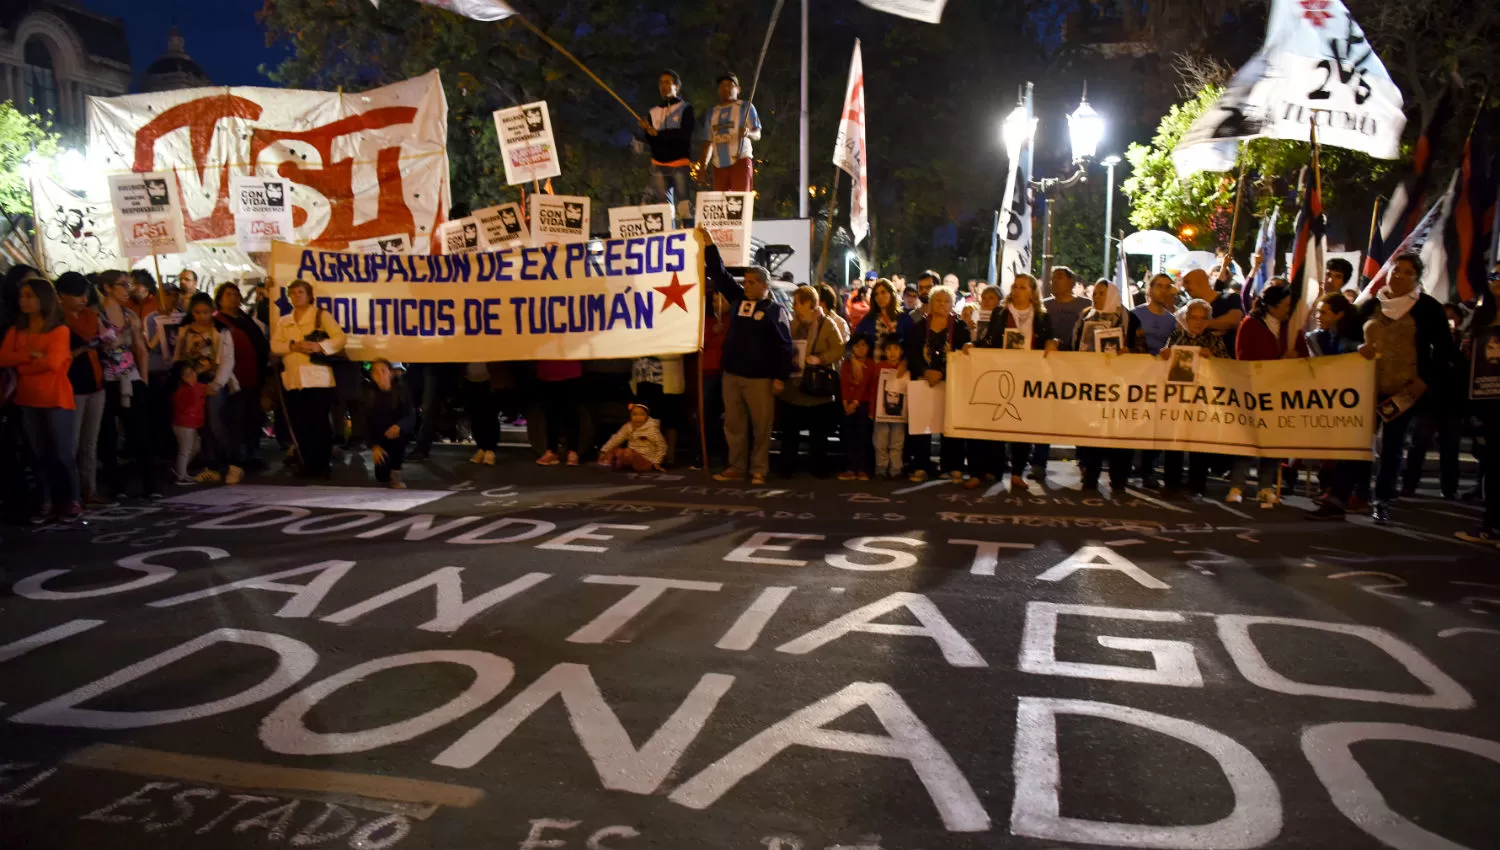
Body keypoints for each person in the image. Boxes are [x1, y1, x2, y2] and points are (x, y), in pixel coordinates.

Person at [1310, 253, 1456, 523]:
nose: (1398, 275)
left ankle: (1382, 500)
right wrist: (1357, 348)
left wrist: (1425, 378)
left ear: (1417, 278)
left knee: (1392, 445)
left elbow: (1445, 350)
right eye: (1395, 269)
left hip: (1404, 391)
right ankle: (1339, 498)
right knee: (1354, 444)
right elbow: (1344, 338)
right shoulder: (1370, 305)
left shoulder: (1428, 308)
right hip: (1367, 387)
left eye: (1407, 272)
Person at [704, 229, 794, 485]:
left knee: (761, 425)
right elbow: (719, 275)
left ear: (765, 286)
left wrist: (780, 377)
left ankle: (759, 469)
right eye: (746, 281)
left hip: (760, 378)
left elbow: (784, 346)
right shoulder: (738, 300)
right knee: (734, 424)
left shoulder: (775, 311)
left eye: (753, 282)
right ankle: (736, 466)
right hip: (732, 374)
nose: (748, 285)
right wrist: (711, 246)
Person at [1, 276, 80, 522]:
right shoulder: (16, 329)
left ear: (43, 299)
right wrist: (31, 356)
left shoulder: (59, 330)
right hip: (27, 398)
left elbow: (54, 363)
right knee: (37, 454)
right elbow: (3, 358)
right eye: (22, 296)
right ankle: (46, 502)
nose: (24, 301)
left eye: (30, 296)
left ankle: (72, 500)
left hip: (55, 397)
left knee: (62, 454)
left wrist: (24, 362)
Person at [972, 274, 1057, 491]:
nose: (1017, 290)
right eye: (1015, 286)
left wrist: (1053, 342)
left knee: (1022, 424)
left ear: (1032, 292)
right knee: (997, 421)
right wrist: (974, 346)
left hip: (1029, 377)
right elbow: (990, 339)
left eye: (1022, 287)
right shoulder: (1001, 313)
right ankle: (992, 470)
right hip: (1002, 372)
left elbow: (1049, 338)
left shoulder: (1041, 316)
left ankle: (1018, 472)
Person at [270, 279, 346, 479]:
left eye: (300, 292)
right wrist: (293, 346)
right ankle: (306, 463)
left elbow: (339, 338)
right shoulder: (284, 320)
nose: (296, 296)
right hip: (294, 380)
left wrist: (319, 347)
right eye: (293, 293)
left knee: (319, 424)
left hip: (318, 379)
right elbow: (276, 345)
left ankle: (322, 465)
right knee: (300, 424)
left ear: (309, 294)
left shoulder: (321, 316)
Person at [55, 273, 113, 509]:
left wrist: (104, 341)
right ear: (62, 296)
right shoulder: (58, 320)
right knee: (72, 444)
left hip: (96, 382)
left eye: (84, 294)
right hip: (73, 386)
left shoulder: (92, 315)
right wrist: (82, 349)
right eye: (76, 295)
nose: (82, 299)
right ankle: (73, 495)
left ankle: (91, 491)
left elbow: (102, 341)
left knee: (89, 443)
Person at [97, 269, 156, 500]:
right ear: (107, 288)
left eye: (128, 284)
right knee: (109, 436)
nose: (127, 289)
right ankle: (115, 486)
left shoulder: (130, 314)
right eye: (122, 284)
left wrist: (143, 380)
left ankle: (149, 484)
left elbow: (140, 349)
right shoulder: (97, 315)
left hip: (131, 378)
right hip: (107, 379)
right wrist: (122, 335)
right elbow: (103, 346)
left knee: (140, 433)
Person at [777, 285, 845, 478]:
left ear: (808, 303)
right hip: (794, 388)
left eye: (798, 302)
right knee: (790, 433)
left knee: (818, 435)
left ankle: (819, 467)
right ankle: (787, 467)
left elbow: (839, 349)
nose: (794, 306)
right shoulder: (793, 324)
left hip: (817, 391)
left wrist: (820, 359)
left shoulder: (826, 324)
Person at [174, 292, 240, 484]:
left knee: (216, 422)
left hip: (214, 380)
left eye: (205, 312)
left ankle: (231, 465)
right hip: (192, 382)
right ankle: (211, 465)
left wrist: (217, 383)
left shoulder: (222, 331)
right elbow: (179, 355)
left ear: (212, 311)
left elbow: (228, 360)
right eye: (197, 312)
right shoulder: (185, 330)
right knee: (200, 425)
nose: (202, 316)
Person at [905, 287, 970, 482]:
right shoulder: (919, 327)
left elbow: (963, 356)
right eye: (938, 300)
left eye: (946, 301)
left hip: (950, 381)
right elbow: (912, 354)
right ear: (930, 303)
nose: (942, 304)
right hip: (923, 381)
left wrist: (941, 372)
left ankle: (952, 466)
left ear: (952, 305)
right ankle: (921, 466)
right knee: (922, 425)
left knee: (950, 425)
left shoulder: (960, 327)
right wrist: (925, 372)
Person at [1456, 266, 1500, 545]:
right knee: (1492, 464)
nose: (1497, 281)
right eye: (1494, 276)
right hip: (1485, 399)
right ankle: (1490, 526)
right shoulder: (1481, 317)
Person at [215, 282, 270, 472]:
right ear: (220, 299)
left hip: (253, 376)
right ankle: (237, 457)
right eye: (228, 294)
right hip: (233, 379)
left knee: (252, 418)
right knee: (236, 419)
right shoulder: (218, 321)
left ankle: (252, 454)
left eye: (236, 294)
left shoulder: (245, 319)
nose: (233, 298)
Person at [640, 69, 696, 225]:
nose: (664, 85)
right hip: (659, 165)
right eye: (661, 83)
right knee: (664, 209)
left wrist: (657, 134)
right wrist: (647, 131)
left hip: (679, 163)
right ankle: (669, 241)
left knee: (684, 206)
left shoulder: (686, 108)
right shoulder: (653, 111)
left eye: (668, 82)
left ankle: (691, 238)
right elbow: (652, 141)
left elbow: (685, 134)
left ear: (677, 86)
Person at [699, 72, 762, 192]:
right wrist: (703, 167)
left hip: (741, 161)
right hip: (719, 165)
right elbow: (708, 141)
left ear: (738, 89)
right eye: (722, 85)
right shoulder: (712, 113)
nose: (726, 88)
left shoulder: (746, 107)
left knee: (740, 203)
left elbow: (757, 134)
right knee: (721, 205)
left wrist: (748, 133)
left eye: (730, 85)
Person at [365, 359, 414, 489]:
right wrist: (374, 445)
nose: (380, 375)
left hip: (398, 434)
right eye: (375, 372)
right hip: (380, 436)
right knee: (381, 476)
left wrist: (399, 426)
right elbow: (366, 421)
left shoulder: (401, 390)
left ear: (390, 373)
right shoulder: (369, 393)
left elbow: (410, 415)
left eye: (383, 371)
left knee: (399, 437)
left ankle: (396, 471)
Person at [632, 353, 686, 465]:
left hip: (666, 377)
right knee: (646, 419)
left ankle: (669, 458)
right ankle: (648, 457)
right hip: (643, 378)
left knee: (669, 418)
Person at [838, 332, 876, 480]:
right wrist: (845, 402)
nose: (860, 349)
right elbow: (844, 383)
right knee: (847, 436)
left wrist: (854, 403)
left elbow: (865, 385)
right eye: (857, 345)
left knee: (863, 437)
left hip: (863, 405)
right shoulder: (846, 363)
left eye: (864, 345)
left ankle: (861, 468)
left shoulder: (871, 364)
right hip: (847, 404)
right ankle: (849, 467)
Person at [1182, 267, 1244, 354]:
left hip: (1227, 362)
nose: (1184, 287)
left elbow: (1234, 320)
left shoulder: (1231, 298)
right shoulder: (1187, 307)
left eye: (1187, 282)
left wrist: (1204, 324)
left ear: (1201, 282)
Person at [871, 335, 908, 479]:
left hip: (899, 414)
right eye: (889, 349)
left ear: (901, 351)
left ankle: (896, 468)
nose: (892, 352)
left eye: (896, 348)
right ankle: (881, 468)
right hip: (881, 412)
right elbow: (874, 390)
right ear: (884, 352)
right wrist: (872, 410)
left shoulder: (904, 368)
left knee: (897, 441)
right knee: (880, 440)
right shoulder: (879, 367)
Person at [535, 358, 583, 466]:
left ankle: (573, 451)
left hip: (570, 370)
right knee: (551, 414)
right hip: (547, 370)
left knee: (571, 413)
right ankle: (552, 450)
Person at [597, 403, 668, 472]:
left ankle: (620, 463)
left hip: (646, 459)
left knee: (628, 452)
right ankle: (606, 464)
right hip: (631, 455)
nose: (638, 418)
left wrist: (656, 462)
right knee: (614, 449)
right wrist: (604, 451)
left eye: (642, 415)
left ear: (646, 416)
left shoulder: (651, 429)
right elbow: (616, 439)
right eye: (635, 414)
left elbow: (662, 446)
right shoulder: (628, 427)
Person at [170, 361, 207, 485]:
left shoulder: (195, 387)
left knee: (194, 447)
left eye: (193, 372)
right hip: (184, 425)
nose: (192, 375)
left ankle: (181, 470)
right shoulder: (185, 390)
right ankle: (181, 475)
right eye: (188, 374)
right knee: (185, 450)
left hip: (189, 424)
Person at [854, 279, 913, 346]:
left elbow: (911, 346)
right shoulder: (869, 319)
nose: (880, 297)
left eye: (883, 292)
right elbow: (854, 341)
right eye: (876, 294)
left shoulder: (905, 319)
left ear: (891, 293)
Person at [1043, 267, 1089, 352]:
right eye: (1053, 278)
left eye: (1059, 277)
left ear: (1071, 282)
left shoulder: (1087, 305)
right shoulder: (1043, 306)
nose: (1054, 281)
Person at [1308, 292, 1360, 356]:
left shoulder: (1353, 334)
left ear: (1339, 315)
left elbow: (1348, 344)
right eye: (1317, 311)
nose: (1318, 316)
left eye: (1323, 313)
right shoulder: (1315, 337)